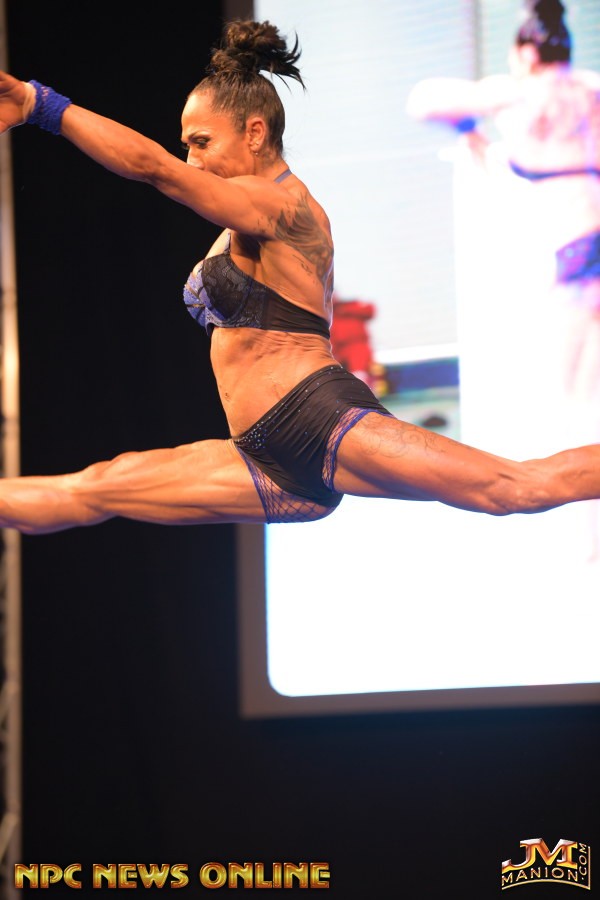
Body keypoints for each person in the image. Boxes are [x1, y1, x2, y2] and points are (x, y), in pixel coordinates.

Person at [0, 17, 599, 536]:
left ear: (255, 132)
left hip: (317, 421)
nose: (192, 160)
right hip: (262, 459)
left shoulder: (281, 206)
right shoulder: (241, 213)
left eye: (202, 142)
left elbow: (155, 170)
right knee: (98, 486)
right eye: (187, 146)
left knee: (514, 487)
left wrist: (39, 106)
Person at [406, 0, 600, 555]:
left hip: (577, 249)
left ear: (526, 51)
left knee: (579, 398)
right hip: (589, 236)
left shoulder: (523, 92)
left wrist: (473, 117)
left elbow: (422, 101)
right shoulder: (589, 88)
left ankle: (588, 528)